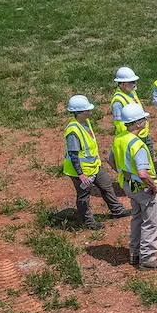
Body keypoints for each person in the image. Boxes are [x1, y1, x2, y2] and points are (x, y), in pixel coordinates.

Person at [112, 103, 157, 270]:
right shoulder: (137, 145)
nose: (145, 121)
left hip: (128, 184)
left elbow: (110, 160)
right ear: (137, 123)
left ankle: (134, 253)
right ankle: (148, 259)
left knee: (137, 217)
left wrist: (125, 173)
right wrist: (153, 186)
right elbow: (143, 173)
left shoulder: (119, 138)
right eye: (143, 119)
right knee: (151, 221)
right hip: (142, 187)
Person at [62, 95, 129, 230]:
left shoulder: (85, 122)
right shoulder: (73, 131)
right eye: (87, 110)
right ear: (79, 112)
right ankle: (87, 222)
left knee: (106, 184)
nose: (90, 112)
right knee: (84, 196)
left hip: (94, 166)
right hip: (81, 171)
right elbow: (74, 155)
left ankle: (117, 210)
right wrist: (80, 174)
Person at [111, 67, 152, 152]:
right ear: (123, 84)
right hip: (135, 137)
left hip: (143, 134)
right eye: (132, 82)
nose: (134, 84)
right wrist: (131, 139)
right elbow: (119, 125)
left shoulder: (132, 92)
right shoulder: (118, 102)